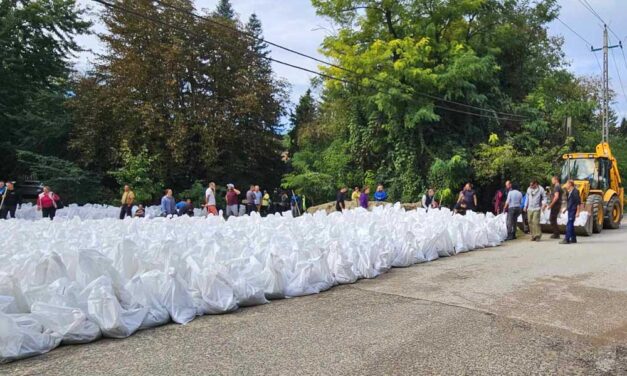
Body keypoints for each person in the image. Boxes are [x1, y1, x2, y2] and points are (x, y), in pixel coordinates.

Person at [561, 180, 581, 245]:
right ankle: (573, 239)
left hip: (573, 210)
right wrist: (566, 209)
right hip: (570, 210)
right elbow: (570, 202)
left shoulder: (575, 191)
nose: (566, 185)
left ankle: (566, 239)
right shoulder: (569, 192)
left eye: (567, 184)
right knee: (571, 224)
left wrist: (578, 212)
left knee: (569, 224)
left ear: (570, 184)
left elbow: (578, 202)